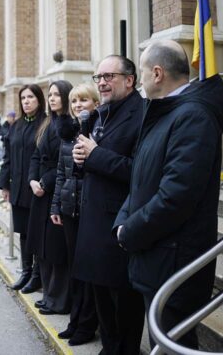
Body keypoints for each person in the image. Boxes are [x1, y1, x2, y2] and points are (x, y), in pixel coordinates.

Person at [113, 40, 223, 349]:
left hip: (174, 260)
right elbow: (141, 179)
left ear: (156, 73)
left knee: (172, 343)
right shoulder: (166, 113)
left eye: (139, 72)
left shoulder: (192, 117)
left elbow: (176, 196)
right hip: (157, 256)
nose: (138, 81)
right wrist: (123, 221)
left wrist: (131, 231)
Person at [72, 55, 145, 354]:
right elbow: (94, 158)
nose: (101, 82)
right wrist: (82, 159)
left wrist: (95, 154)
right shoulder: (102, 113)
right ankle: (109, 347)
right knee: (100, 293)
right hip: (93, 219)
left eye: (109, 76)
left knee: (122, 300)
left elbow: (140, 172)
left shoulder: (141, 115)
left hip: (118, 221)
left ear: (129, 80)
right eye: (98, 77)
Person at [50, 84, 100, 345]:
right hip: (69, 208)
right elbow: (61, 173)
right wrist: (56, 206)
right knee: (75, 268)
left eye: (83, 100)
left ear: (95, 102)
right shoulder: (68, 134)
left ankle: (87, 325)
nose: (78, 105)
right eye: (74, 101)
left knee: (89, 269)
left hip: (91, 208)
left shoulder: (100, 130)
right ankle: (76, 320)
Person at [27, 80, 73, 317]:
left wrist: (44, 182)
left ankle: (59, 300)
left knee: (56, 250)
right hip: (39, 192)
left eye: (57, 94)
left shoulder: (70, 125)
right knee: (41, 249)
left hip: (55, 190)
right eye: (50, 94)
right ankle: (48, 295)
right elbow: (36, 154)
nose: (52, 98)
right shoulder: (47, 123)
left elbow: (65, 163)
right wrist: (33, 180)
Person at [0, 84, 46, 293]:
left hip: (36, 187)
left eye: (31, 97)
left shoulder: (45, 123)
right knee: (23, 232)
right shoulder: (15, 125)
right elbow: (7, 158)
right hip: (17, 187)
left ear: (39, 100)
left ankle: (37, 275)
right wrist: (4, 184)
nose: (26, 101)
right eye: (23, 98)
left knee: (36, 233)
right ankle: (26, 271)